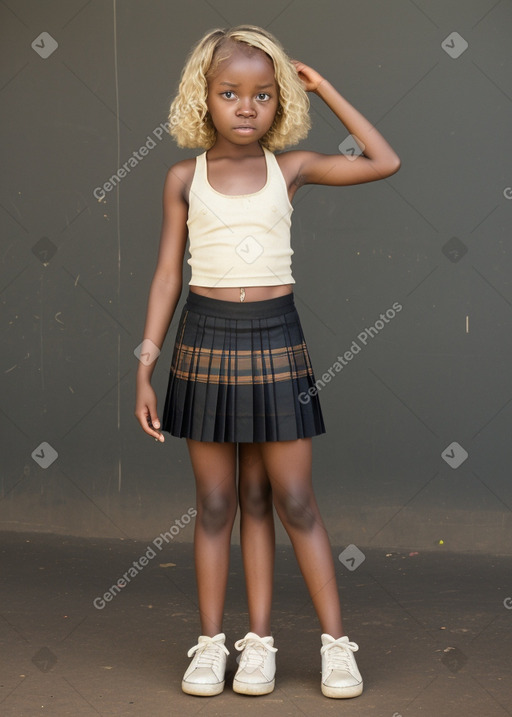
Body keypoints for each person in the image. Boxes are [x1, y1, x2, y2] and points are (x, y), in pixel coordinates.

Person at [135, 24, 400, 699]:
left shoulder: (294, 167)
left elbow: (383, 159)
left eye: (262, 94)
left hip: (276, 339)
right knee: (220, 500)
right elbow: (168, 275)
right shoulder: (180, 176)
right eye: (230, 92)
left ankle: (329, 646)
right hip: (203, 341)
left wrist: (326, 88)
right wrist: (146, 361)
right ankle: (217, 645)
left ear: (280, 103)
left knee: (289, 499)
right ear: (205, 97)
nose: (246, 107)